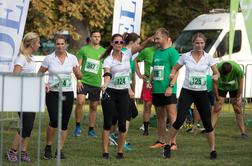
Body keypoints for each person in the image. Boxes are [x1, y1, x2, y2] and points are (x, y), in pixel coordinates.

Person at [164, 32, 219, 160]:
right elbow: (175, 68)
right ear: (193, 43)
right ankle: (167, 145)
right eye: (197, 43)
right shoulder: (186, 56)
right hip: (187, 91)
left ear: (205, 44)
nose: (199, 45)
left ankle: (213, 150)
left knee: (207, 123)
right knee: (179, 120)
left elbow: (217, 73)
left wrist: (215, 76)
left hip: (202, 93)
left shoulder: (208, 58)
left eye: (202, 43)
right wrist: (172, 74)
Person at [100, 33, 153, 159]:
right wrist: (106, 83)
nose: (119, 44)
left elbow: (140, 48)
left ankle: (120, 152)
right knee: (108, 123)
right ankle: (105, 152)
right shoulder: (108, 59)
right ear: (112, 44)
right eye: (116, 42)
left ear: (123, 44)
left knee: (123, 124)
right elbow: (107, 73)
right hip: (110, 93)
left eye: (121, 42)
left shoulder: (127, 53)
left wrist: (149, 40)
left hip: (123, 93)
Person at [38, 34, 82, 159]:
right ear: (54, 45)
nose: (60, 46)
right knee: (54, 120)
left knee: (64, 123)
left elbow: (79, 75)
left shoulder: (72, 58)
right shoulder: (49, 58)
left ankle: (59, 150)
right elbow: (39, 74)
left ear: (66, 45)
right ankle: (48, 146)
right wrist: (45, 84)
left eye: (63, 44)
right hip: (52, 93)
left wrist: (78, 73)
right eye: (58, 44)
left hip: (67, 93)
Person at [6, 32, 40, 163]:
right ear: (31, 44)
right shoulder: (21, 58)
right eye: (37, 42)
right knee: (26, 125)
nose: (39, 45)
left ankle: (23, 152)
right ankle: (12, 151)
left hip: (31, 96)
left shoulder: (30, 58)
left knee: (29, 126)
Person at [148, 28, 179, 150]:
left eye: (158, 38)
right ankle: (160, 141)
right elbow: (154, 69)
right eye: (155, 38)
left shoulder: (172, 52)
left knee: (172, 116)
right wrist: (149, 81)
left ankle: (173, 142)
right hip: (157, 89)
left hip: (168, 89)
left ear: (166, 38)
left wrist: (170, 86)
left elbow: (176, 71)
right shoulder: (156, 52)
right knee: (160, 116)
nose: (155, 40)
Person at [73, 30, 105, 137]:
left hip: (96, 83)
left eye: (98, 36)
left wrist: (105, 83)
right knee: (80, 102)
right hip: (83, 82)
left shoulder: (104, 51)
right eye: (94, 36)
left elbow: (107, 68)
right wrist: (78, 80)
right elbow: (77, 67)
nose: (96, 38)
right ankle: (77, 126)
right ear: (91, 38)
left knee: (94, 107)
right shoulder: (84, 50)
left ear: (100, 38)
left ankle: (91, 129)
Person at [212, 61, 248, 139]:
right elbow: (214, 83)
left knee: (238, 109)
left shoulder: (237, 69)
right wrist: (217, 96)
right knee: (217, 108)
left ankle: (243, 133)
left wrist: (238, 97)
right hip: (221, 87)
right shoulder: (217, 68)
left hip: (234, 87)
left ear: (231, 70)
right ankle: (210, 131)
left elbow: (241, 84)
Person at [134, 46, 155, 136]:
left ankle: (163, 125)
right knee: (147, 105)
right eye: (156, 39)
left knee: (162, 107)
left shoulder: (166, 51)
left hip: (161, 82)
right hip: (148, 82)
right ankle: (145, 128)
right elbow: (135, 60)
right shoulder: (147, 50)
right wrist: (139, 74)